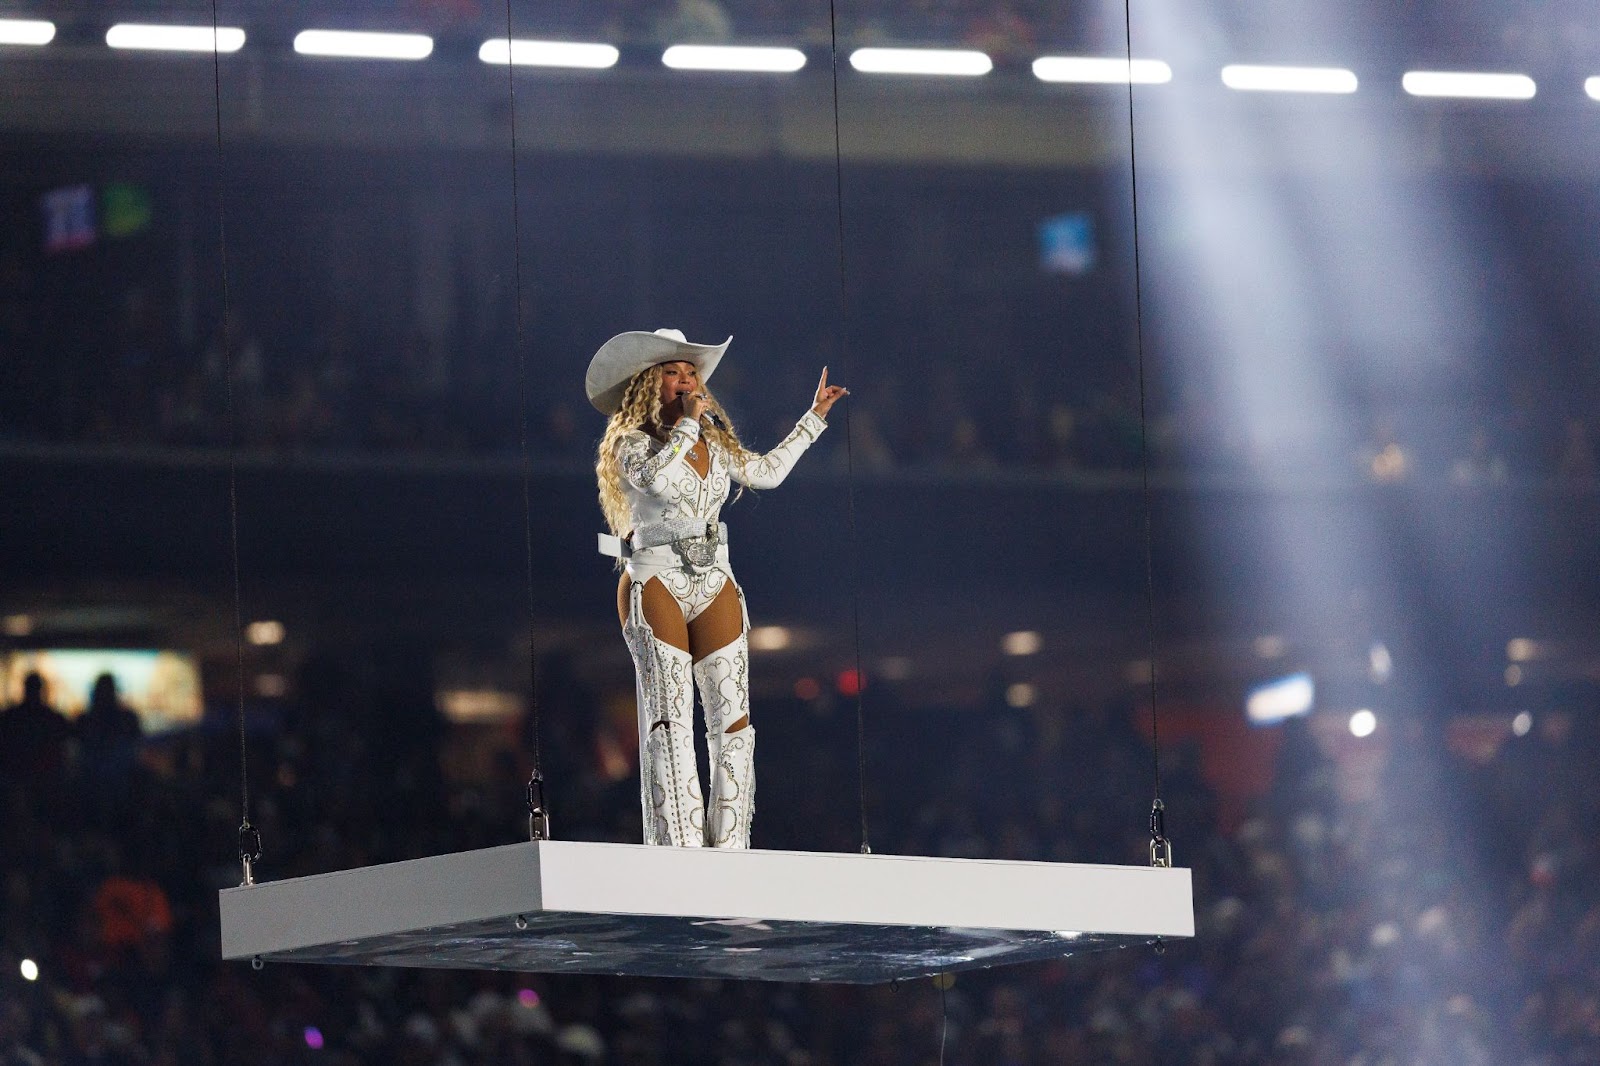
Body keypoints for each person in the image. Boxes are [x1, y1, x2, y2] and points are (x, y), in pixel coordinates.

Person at [588, 328, 847, 848]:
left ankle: (730, 853)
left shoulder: (713, 442)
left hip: (714, 577)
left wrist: (813, 419)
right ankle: (678, 853)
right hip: (655, 574)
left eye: (692, 372)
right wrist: (687, 426)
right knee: (671, 719)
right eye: (672, 371)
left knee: (733, 721)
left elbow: (766, 473)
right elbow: (656, 481)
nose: (686, 379)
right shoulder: (629, 443)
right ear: (647, 383)